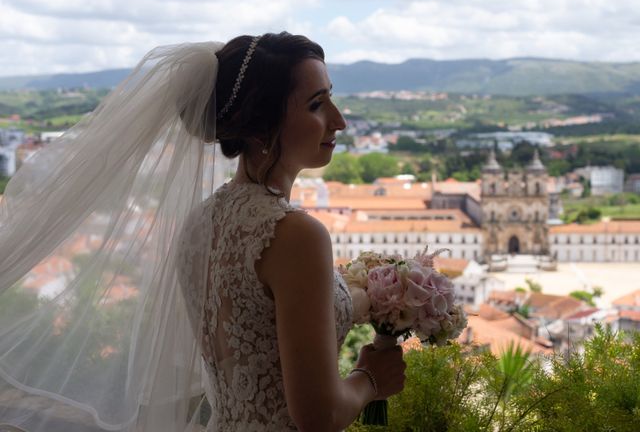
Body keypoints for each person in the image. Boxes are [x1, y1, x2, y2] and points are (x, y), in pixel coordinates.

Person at [0, 32, 405, 431]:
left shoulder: (201, 221)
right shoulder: (297, 235)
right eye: (317, 104)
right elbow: (319, 415)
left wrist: (364, 298)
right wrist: (371, 379)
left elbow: (260, 325)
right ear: (261, 126)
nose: (339, 120)